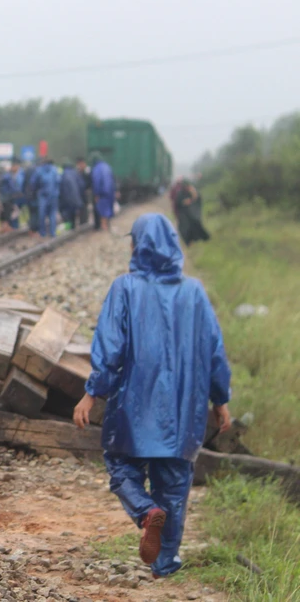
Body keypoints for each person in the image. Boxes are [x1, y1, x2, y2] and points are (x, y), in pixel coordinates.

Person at [74, 213, 232, 579]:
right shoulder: (194, 292)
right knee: (174, 487)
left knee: (120, 465)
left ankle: (145, 512)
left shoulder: (124, 288)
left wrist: (91, 394)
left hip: (134, 406)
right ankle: (165, 565)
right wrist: (220, 400)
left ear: (137, 245)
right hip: (183, 411)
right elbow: (214, 352)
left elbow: (110, 349)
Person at [172, 178, 211, 245]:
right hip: (183, 214)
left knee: (196, 223)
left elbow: (197, 199)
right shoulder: (180, 193)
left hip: (192, 212)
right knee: (185, 228)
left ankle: (202, 238)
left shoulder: (192, 191)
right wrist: (183, 203)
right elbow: (177, 203)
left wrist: (193, 196)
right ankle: (189, 242)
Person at [30, 154, 60, 237]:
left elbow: (33, 183)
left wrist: (35, 191)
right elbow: (58, 181)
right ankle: (52, 232)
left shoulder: (39, 170)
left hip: (43, 195)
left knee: (42, 215)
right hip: (54, 195)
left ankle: (42, 232)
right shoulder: (55, 170)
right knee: (52, 214)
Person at [0, 158, 24, 232]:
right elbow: (13, 187)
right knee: (10, 213)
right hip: (9, 197)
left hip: (6, 197)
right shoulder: (8, 176)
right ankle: (12, 228)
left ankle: (9, 227)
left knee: (6, 213)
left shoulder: (3, 176)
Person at [91, 153, 117, 232]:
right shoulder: (107, 166)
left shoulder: (97, 169)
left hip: (102, 193)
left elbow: (96, 181)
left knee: (102, 210)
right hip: (110, 192)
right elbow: (112, 179)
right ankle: (107, 226)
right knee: (108, 209)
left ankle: (103, 227)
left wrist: (96, 193)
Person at [59, 161, 84, 229]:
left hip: (66, 198)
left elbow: (60, 187)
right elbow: (81, 185)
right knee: (73, 213)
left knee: (67, 214)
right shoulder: (75, 173)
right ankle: (73, 226)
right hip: (75, 197)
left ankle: (69, 228)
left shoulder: (63, 174)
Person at [75, 157, 91, 225]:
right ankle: (83, 222)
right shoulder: (78, 173)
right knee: (81, 208)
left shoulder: (87, 172)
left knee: (85, 208)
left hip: (85, 192)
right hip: (80, 193)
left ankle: (85, 222)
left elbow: (89, 182)